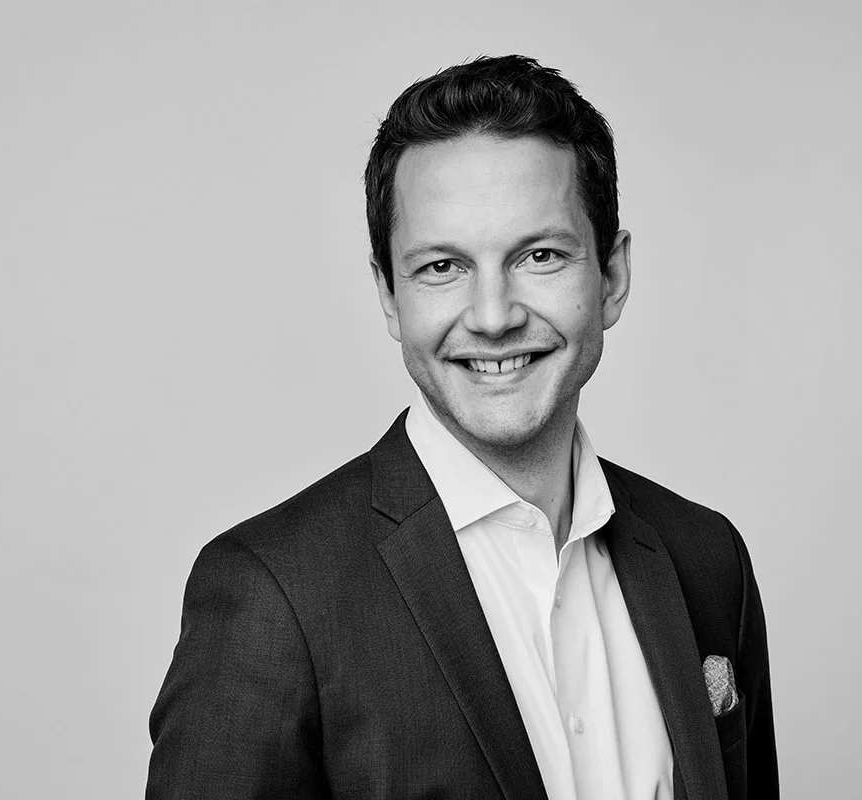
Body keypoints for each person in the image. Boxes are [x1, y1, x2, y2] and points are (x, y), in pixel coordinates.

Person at [146, 54, 778, 800]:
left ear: (611, 277)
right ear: (388, 294)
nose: (492, 315)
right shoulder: (271, 594)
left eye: (539, 255)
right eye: (442, 267)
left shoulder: (708, 559)